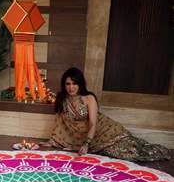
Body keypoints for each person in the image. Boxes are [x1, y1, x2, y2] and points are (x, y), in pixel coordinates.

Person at [40, 67, 170, 161]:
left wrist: (86, 144)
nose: (71, 87)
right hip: (93, 141)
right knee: (117, 154)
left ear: (80, 84)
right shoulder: (63, 99)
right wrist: (53, 141)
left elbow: (93, 123)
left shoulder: (89, 98)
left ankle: (159, 150)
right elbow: (60, 123)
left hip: (105, 131)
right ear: (64, 85)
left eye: (75, 83)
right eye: (68, 84)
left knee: (131, 152)